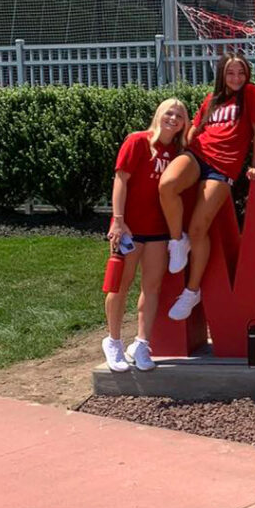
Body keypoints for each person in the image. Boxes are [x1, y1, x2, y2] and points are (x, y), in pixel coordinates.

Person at [158, 52, 255, 321]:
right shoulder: (211, 99)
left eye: (241, 72)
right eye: (230, 73)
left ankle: (192, 292)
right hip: (197, 154)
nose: (236, 78)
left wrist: (254, 163)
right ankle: (176, 241)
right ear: (221, 75)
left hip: (223, 167)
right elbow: (196, 129)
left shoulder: (250, 93)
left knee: (198, 228)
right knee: (167, 184)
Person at [102, 98, 190, 372]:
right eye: (169, 113)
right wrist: (118, 221)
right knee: (119, 285)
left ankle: (142, 343)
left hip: (158, 232)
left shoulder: (178, 153)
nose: (173, 118)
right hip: (129, 230)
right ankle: (113, 341)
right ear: (159, 115)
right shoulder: (138, 141)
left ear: (184, 123)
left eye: (179, 115)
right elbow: (121, 179)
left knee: (151, 288)